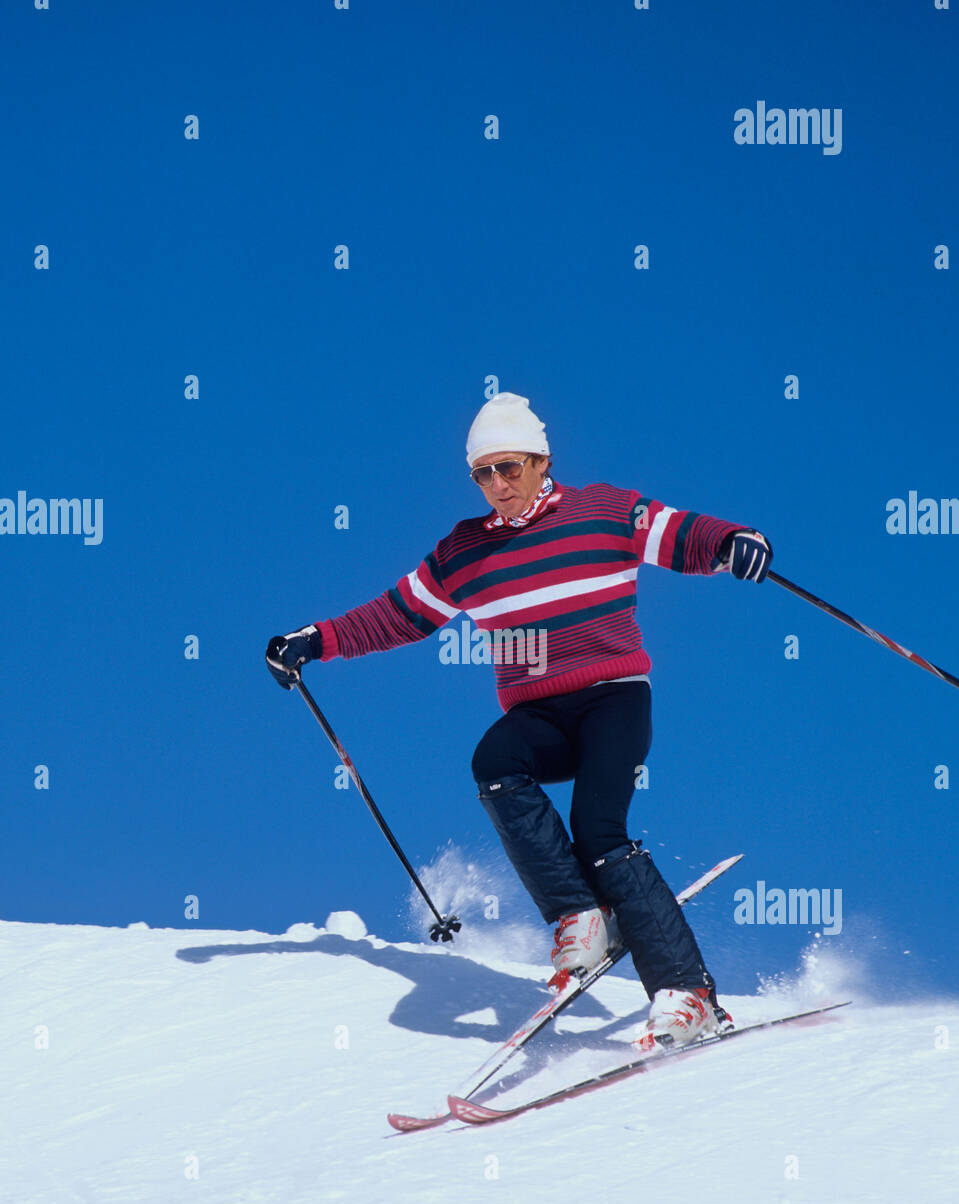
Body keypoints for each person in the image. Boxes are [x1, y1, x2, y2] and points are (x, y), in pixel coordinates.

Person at [266, 392, 772, 1049]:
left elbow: (681, 535)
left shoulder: (605, 511)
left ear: (541, 462)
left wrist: (734, 542)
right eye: (483, 474)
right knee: (496, 764)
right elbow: (397, 614)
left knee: (598, 829)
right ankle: (580, 918)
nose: (497, 485)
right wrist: (315, 640)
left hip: (612, 696)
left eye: (508, 468)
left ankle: (688, 995)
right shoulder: (464, 553)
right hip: (538, 713)